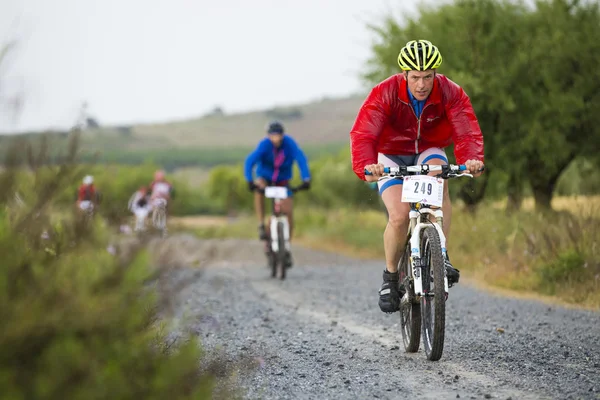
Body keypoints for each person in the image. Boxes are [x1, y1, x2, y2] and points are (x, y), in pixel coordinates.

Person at [349, 39, 485, 313]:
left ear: (436, 74)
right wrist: (367, 165)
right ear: (404, 75)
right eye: (415, 78)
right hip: (390, 154)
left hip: (428, 149)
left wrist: (471, 158)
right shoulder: (385, 92)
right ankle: (390, 277)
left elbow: (466, 128)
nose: (422, 84)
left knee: (439, 179)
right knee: (399, 217)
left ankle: (440, 257)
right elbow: (365, 133)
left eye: (427, 77)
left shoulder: (450, 91)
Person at [244, 121, 311, 263]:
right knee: (259, 188)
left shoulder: (289, 144)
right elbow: (250, 161)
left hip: (282, 181)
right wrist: (249, 180)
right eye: (273, 135)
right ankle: (261, 223)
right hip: (266, 178)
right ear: (268, 136)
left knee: (288, 213)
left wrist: (306, 179)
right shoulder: (264, 145)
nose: (276, 138)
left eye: (278, 135)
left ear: (282, 135)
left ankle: (286, 248)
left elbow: (301, 159)